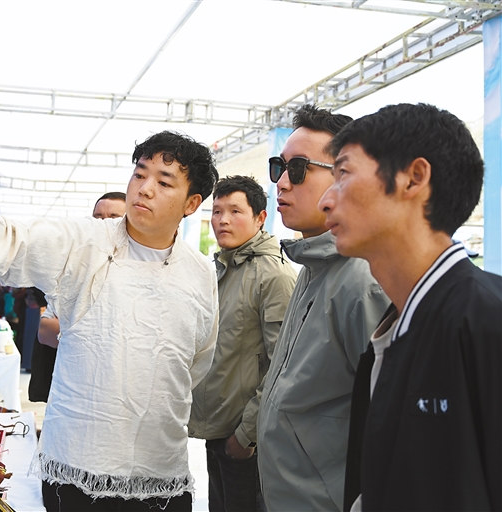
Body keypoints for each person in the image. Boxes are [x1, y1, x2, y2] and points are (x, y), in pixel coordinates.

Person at [0, 125, 219, 511]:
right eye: (139, 174)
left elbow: (196, 362)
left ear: (192, 203)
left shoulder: (200, 273)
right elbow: (5, 243)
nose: (145, 189)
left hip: (160, 470)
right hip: (78, 466)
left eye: (164, 182)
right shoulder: (83, 243)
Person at [319, 103, 501, 511]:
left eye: (343, 173)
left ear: (414, 178)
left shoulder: (487, 321)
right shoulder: (391, 333)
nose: (325, 201)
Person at [256, 105, 390, 511]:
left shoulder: (363, 282)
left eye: (298, 169)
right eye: (279, 167)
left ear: (346, 177)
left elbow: (391, 430)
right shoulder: (313, 267)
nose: (281, 182)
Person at [188, 175, 296, 511]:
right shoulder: (223, 268)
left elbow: (284, 365)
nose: (223, 220)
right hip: (219, 429)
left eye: (235, 211)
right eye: (217, 211)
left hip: (246, 437)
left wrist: (246, 435)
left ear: (260, 218)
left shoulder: (273, 276)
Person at [30, 191, 126, 403]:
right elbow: (45, 330)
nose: (104, 225)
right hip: (69, 390)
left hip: (115, 395)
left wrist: (72, 328)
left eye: (114, 218)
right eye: (98, 218)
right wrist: (102, 336)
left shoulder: (137, 273)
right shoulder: (76, 268)